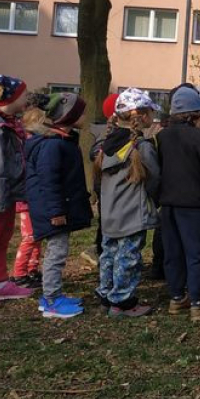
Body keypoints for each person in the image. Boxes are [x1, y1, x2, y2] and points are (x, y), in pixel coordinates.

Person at [94, 89, 161, 318]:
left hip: (110, 213)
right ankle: (123, 302)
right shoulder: (141, 147)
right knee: (129, 258)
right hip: (133, 212)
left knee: (109, 254)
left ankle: (106, 295)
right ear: (141, 116)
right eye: (152, 112)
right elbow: (155, 177)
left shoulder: (105, 144)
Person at [25, 92, 93, 319]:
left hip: (58, 208)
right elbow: (49, 181)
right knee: (56, 253)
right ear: (68, 116)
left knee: (57, 251)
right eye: (81, 112)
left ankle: (51, 295)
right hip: (53, 211)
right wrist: (56, 211)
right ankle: (52, 299)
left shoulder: (62, 141)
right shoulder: (52, 146)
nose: (86, 115)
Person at [156, 86, 200, 322]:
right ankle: (197, 302)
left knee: (173, 252)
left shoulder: (162, 136)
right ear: (195, 113)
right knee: (196, 253)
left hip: (168, 202)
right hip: (195, 203)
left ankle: (176, 297)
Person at [0, 75, 34, 309]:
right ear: (11, 97)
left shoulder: (9, 123)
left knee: (2, 238)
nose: (27, 98)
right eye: (23, 94)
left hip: (5, 193)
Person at [11, 96, 50, 289]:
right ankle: (19, 273)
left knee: (37, 235)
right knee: (29, 237)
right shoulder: (25, 146)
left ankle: (32, 269)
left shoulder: (35, 144)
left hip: (35, 199)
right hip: (27, 200)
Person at [81, 92, 120, 269]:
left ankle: (103, 250)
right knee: (107, 222)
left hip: (106, 186)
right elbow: (97, 156)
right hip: (108, 186)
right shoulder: (109, 133)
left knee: (107, 221)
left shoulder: (107, 131)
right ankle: (101, 251)